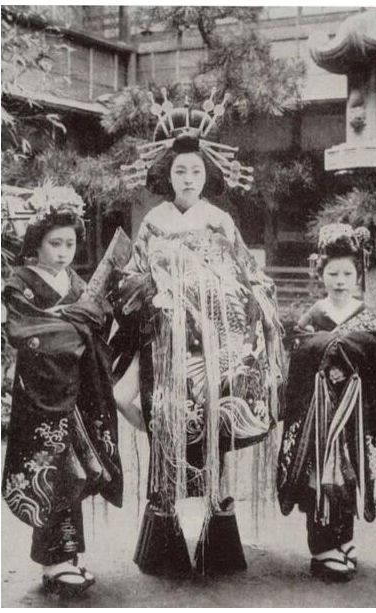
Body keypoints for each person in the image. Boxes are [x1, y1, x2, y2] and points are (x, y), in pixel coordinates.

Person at [111, 93, 284, 577]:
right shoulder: (154, 222)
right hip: (164, 343)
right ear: (166, 175)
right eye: (180, 171)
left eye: (196, 171)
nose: (188, 178)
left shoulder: (220, 220)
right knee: (156, 421)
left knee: (216, 435)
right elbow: (131, 279)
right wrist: (151, 291)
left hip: (214, 348)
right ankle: (163, 538)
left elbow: (248, 276)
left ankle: (217, 537)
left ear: (208, 176)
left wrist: (240, 299)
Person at [2, 186, 123, 596]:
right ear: (36, 243)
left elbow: (97, 322)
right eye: (55, 243)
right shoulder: (20, 283)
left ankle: (62, 559)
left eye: (70, 244)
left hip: (75, 393)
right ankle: (56, 561)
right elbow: (24, 330)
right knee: (51, 470)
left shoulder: (76, 281)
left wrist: (79, 321)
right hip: (41, 394)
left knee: (73, 473)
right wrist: (73, 323)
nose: (63, 252)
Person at [277, 223, 376, 581]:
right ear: (321, 274)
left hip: (355, 414)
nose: (340, 280)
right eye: (333, 273)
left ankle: (344, 538)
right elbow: (300, 359)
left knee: (351, 473)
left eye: (347, 273)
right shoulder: (312, 317)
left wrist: (346, 349)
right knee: (320, 474)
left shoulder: (368, 318)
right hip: (319, 416)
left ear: (359, 275)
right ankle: (321, 548)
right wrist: (332, 347)